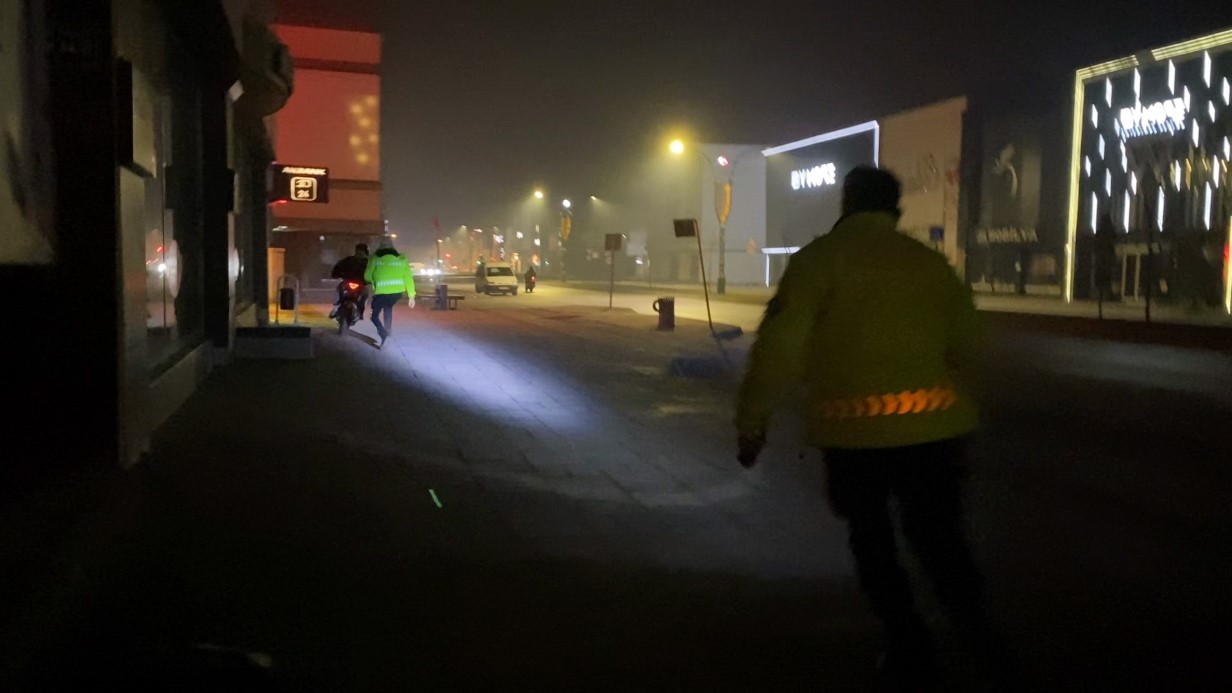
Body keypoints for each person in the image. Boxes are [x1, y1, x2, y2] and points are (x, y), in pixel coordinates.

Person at [735, 167, 1001, 690]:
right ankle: (982, 639)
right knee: (940, 540)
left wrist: (752, 422)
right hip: (936, 434)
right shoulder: (929, 264)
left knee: (873, 543)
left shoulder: (817, 262)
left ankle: (908, 643)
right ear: (895, 209)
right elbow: (972, 344)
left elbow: (778, 349)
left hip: (856, 438)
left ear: (846, 204)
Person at [363, 238, 416, 348]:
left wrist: (372, 280)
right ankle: (388, 330)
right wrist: (411, 296)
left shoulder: (375, 258)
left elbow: (367, 276)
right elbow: (408, 277)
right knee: (388, 307)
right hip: (397, 293)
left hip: (381, 292)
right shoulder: (401, 258)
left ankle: (383, 334)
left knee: (374, 316)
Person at [329, 243, 370, 319]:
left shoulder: (348, 259)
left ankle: (335, 307)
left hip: (346, 282)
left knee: (338, 290)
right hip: (360, 284)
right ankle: (361, 312)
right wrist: (370, 280)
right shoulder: (368, 262)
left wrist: (336, 275)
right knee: (365, 295)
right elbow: (371, 273)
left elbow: (337, 268)